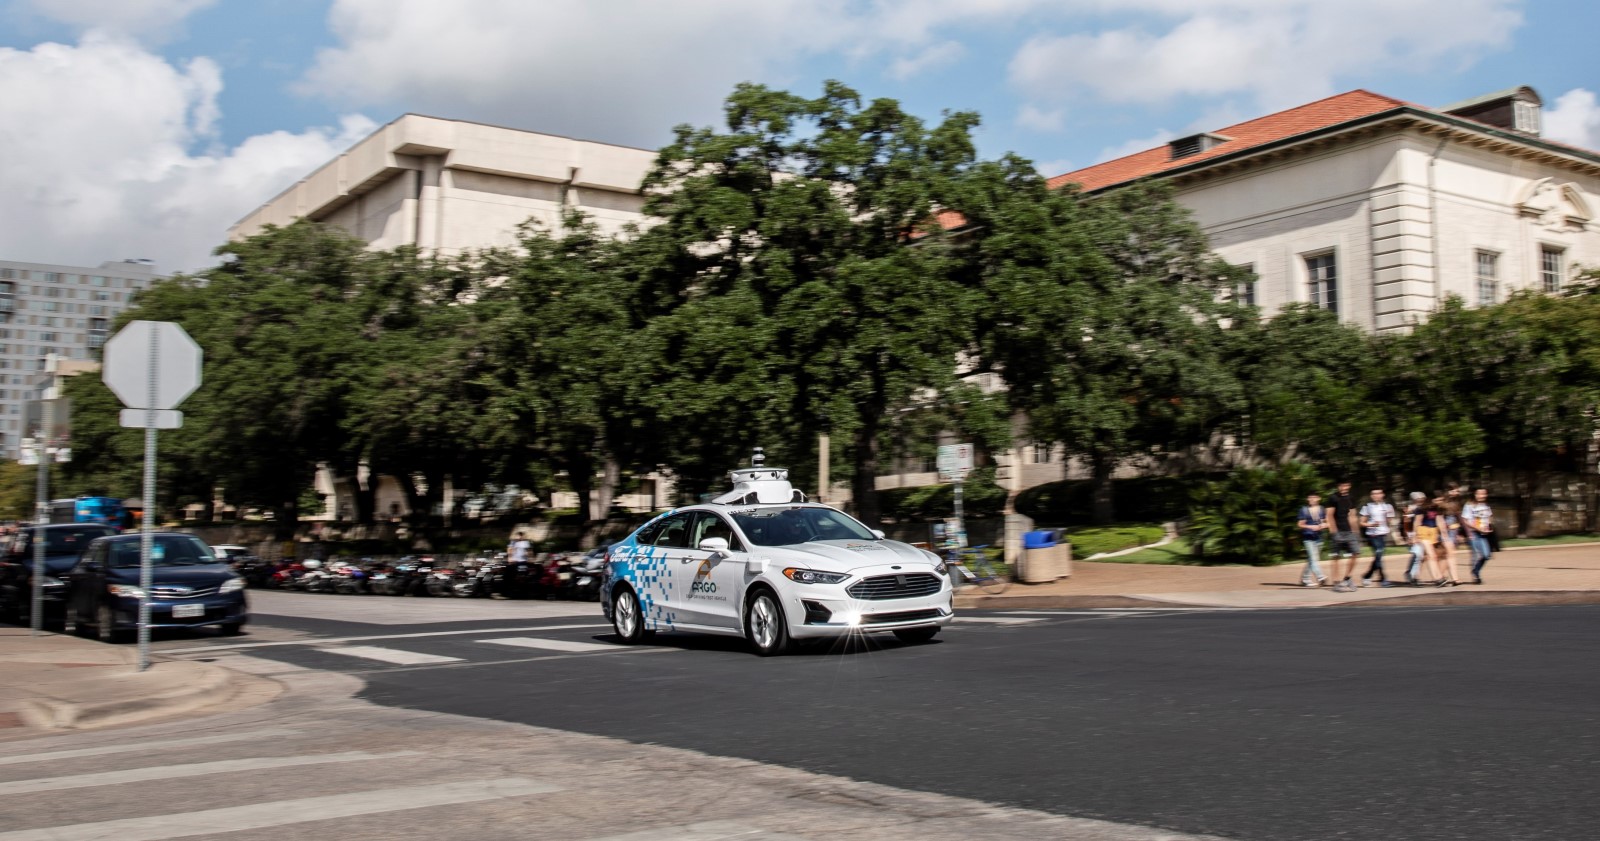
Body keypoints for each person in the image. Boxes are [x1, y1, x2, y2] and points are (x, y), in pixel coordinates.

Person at [1358, 488, 1397, 587]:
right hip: (1372, 535)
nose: (1376, 495)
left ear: (1382, 494)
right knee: (1379, 553)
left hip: (1383, 534)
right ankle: (1383, 578)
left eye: (1378, 493)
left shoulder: (1388, 507)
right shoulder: (1367, 507)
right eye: (1373, 494)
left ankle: (1367, 575)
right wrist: (1371, 525)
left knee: (1378, 556)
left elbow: (1389, 521)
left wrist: (1389, 519)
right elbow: (1362, 523)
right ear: (1371, 496)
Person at [1327, 481, 1361, 592]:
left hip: (1349, 532)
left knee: (1355, 553)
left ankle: (1347, 578)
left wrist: (1356, 532)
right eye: (1342, 485)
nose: (1344, 487)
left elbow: (1353, 515)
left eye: (1346, 485)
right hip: (1338, 531)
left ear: (1349, 486)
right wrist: (1333, 531)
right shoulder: (1333, 498)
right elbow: (1329, 515)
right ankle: (1336, 583)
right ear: (1338, 486)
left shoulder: (1351, 498)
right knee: (1336, 557)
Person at [1461, 487, 1494, 584]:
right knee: (1475, 554)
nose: (1482, 496)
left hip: (1484, 534)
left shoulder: (1486, 506)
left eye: (1484, 494)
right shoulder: (1469, 505)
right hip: (1473, 533)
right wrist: (1477, 528)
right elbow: (1465, 520)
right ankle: (1476, 576)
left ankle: (1475, 570)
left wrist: (1489, 526)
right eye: (1479, 494)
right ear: (1474, 494)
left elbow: (1490, 517)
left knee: (1486, 555)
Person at [1297, 493, 1330, 587]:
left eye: (1314, 497)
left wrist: (1324, 525)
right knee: (1314, 559)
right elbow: (1300, 524)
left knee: (1311, 560)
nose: (1312, 499)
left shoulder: (1322, 509)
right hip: (1308, 538)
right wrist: (1310, 526)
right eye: (1310, 497)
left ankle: (1305, 579)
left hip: (1319, 537)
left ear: (1319, 498)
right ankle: (1321, 577)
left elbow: (1327, 522)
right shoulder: (1304, 510)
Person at [1402, 491, 1428, 585]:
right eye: (1418, 499)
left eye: (1422, 498)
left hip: (1423, 533)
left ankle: (1412, 574)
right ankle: (1411, 576)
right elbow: (1406, 524)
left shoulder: (1424, 508)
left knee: (1420, 556)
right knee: (1417, 554)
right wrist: (1409, 536)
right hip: (1412, 534)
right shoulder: (1409, 509)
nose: (1420, 500)